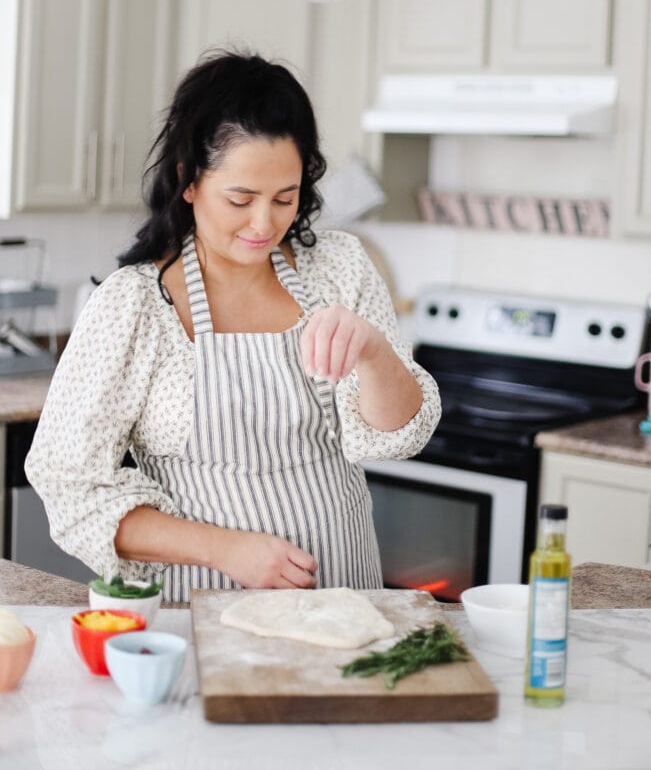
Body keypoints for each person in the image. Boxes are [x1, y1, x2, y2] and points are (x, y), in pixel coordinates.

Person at [26, 51, 441, 603]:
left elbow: (398, 437)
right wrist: (225, 549)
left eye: (285, 198)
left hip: (345, 595)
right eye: (240, 199)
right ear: (188, 180)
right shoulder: (134, 305)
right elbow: (70, 487)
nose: (264, 223)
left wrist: (372, 351)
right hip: (203, 609)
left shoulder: (340, 268)